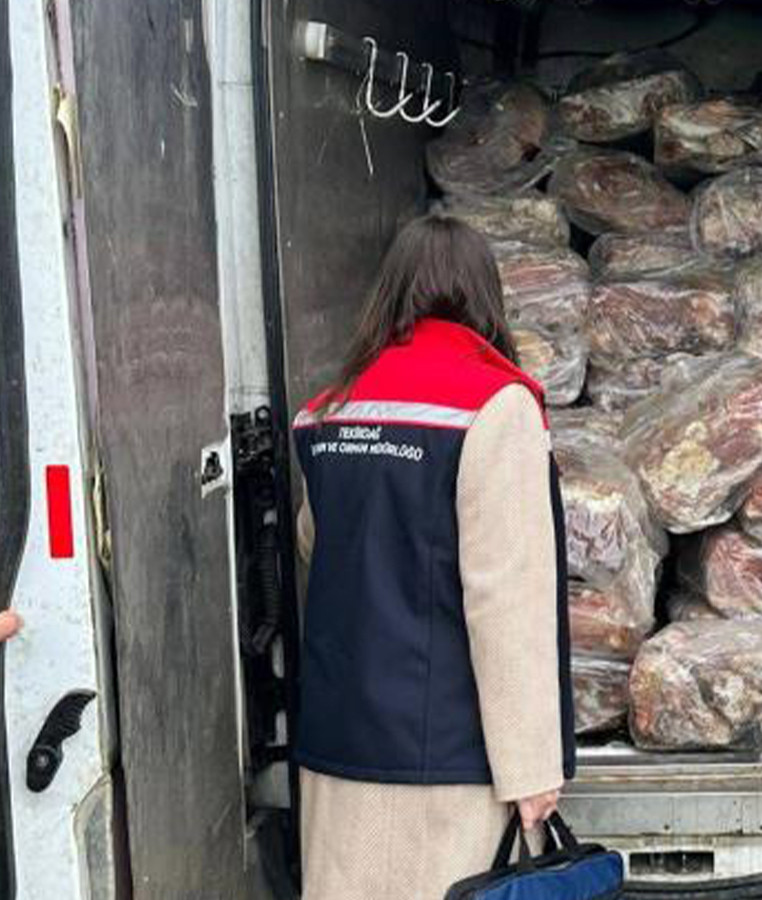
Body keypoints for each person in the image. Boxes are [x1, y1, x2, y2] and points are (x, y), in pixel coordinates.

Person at [291, 215, 574, 900]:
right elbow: (505, 597)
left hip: (338, 746)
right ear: (485, 296)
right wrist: (531, 767)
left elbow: (314, 543)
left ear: (390, 293)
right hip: (445, 761)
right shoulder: (495, 407)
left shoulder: (329, 412)